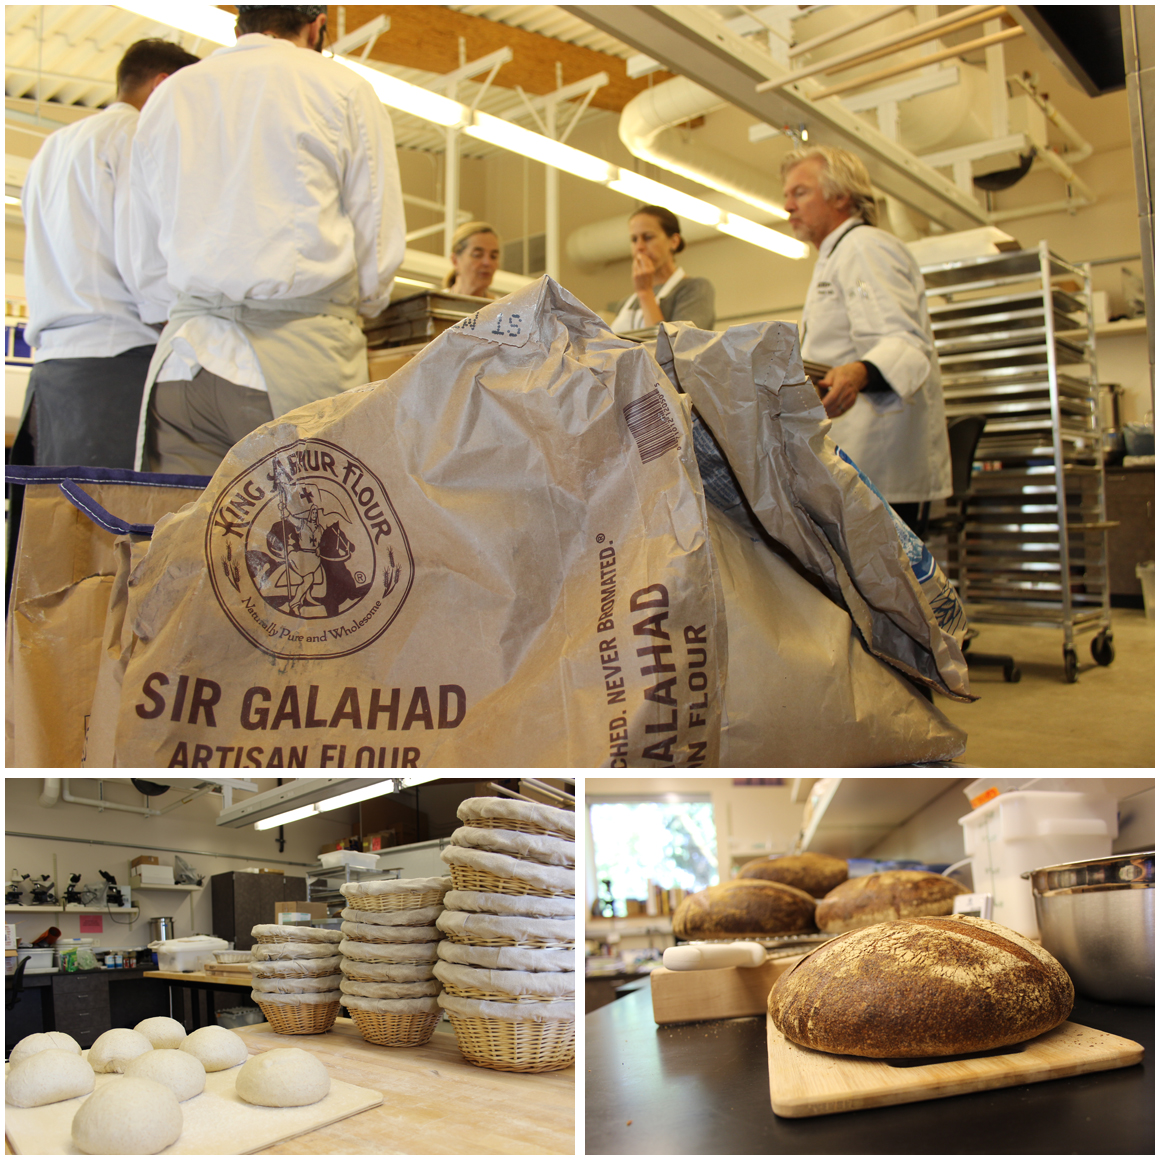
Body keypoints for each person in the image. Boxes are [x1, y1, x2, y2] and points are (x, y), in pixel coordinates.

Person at [129, 4, 406, 476]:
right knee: (303, 538)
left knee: (183, 541)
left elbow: (142, 252)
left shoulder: (169, 94)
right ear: (317, 26)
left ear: (239, 23)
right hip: (294, 365)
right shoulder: (342, 88)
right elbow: (376, 244)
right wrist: (366, 303)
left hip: (182, 367)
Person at [17, 39, 200, 468]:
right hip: (113, 367)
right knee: (111, 527)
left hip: (50, 371)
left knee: (50, 527)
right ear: (164, 86)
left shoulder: (54, 146)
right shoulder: (136, 137)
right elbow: (145, 265)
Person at [781, 145, 951, 528]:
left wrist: (858, 373)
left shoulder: (864, 247)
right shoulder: (836, 256)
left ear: (841, 195)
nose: (788, 206)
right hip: (853, 461)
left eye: (800, 192)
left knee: (890, 587)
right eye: (787, 196)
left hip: (879, 464)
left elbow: (905, 343)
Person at [610, 205, 715, 332]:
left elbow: (680, 346)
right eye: (634, 239)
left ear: (674, 241)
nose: (639, 247)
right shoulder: (626, 303)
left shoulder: (694, 289)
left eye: (648, 237)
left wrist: (645, 293)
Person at [443, 222, 502, 298]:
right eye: (477, 255)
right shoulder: (434, 304)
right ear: (455, 260)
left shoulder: (503, 308)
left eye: (493, 256)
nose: (487, 262)